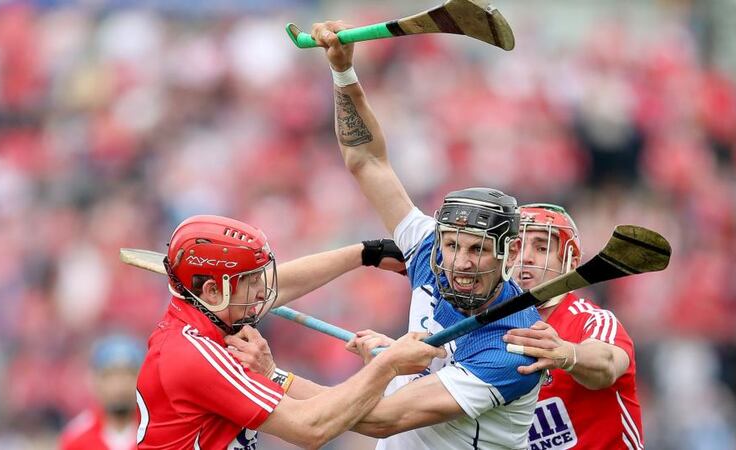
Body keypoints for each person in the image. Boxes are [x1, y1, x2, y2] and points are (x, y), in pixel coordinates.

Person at [305, 21, 544, 450]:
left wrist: (264, 379)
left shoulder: (514, 348)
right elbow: (366, 161)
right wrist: (343, 70)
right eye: (453, 245)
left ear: (508, 255)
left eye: (479, 249)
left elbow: (380, 420)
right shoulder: (429, 249)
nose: (461, 261)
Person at [134, 214, 445, 450]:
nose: (262, 292)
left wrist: (366, 254)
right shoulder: (195, 355)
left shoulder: (208, 317)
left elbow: (280, 287)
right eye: (251, 280)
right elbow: (310, 428)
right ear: (214, 290)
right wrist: (387, 365)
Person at [502, 203, 644, 449]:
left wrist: (568, 354)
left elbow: (608, 363)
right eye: (516, 247)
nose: (525, 257)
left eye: (541, 247)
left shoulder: (593, 320)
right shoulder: (489, 331)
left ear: (569, 262)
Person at [60, 334, 145, 450]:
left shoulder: (158, 432)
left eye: (128, 374)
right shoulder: (76, 436)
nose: (119, 385)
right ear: (95, 381)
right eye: (110, 376)